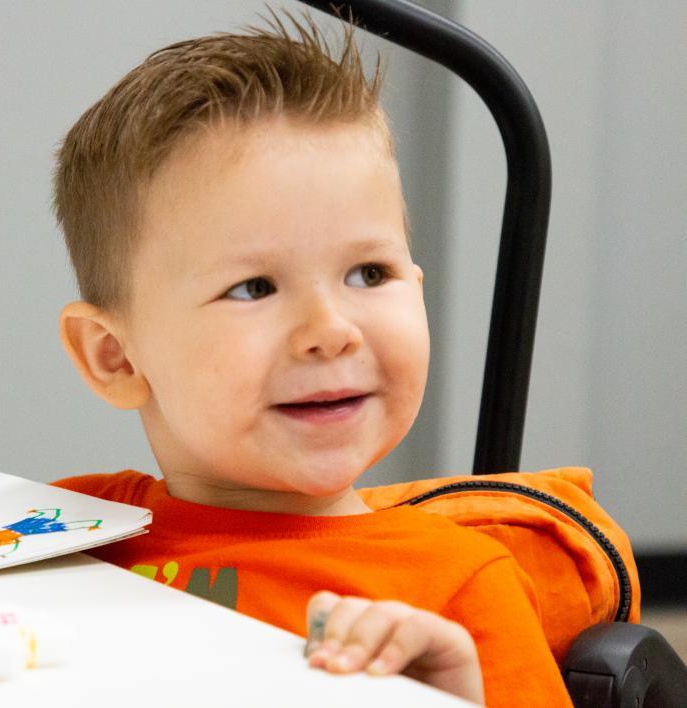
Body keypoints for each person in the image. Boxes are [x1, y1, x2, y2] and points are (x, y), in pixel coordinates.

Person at [49, 12, 569, 706]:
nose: (331, 331)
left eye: (368, 274)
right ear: (115, 358)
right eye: (254, 288)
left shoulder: (453, 591)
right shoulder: (62, 532)